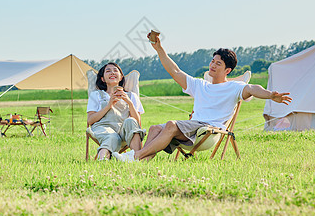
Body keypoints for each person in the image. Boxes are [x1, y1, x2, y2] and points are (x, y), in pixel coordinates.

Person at [113, 34, 292, 162]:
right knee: (153, 128)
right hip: (193, 128)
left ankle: (134, 155)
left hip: (209, 131)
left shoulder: (234, 87)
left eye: (218, 64)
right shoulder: (200, 85)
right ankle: (138, 162)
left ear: (227, 70)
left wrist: (270, 95)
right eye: (213, 61)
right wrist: (159, 48)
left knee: (170, 125)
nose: (213, 65)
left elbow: (253, 89)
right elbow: (174, 71)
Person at [87, 62, 146, 160]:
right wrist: (109, 105)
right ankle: (102, 159)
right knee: (112, 136)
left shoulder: (131, 96)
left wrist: (129, 102)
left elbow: (137, 122)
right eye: (108, 71)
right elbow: (90, 120)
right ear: (102, 79)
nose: (112, 73)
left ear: (121, 77)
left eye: (115, 70)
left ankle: (136, 158)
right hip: (103, 129)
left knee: (131, 121)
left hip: (124, 131)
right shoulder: (96, 95)